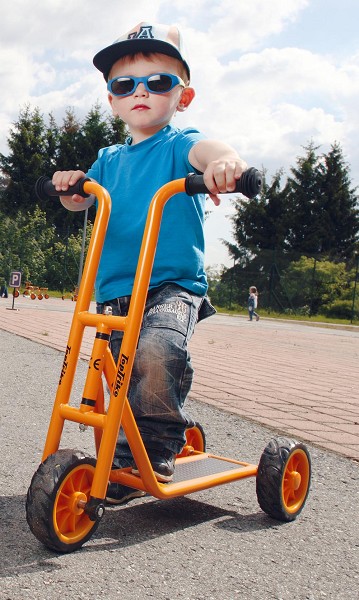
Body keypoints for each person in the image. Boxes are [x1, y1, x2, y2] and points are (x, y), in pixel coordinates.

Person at [52, 22, 248, 505]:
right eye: (125, 85)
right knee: (118, 372)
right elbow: (80, 202)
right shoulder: (107, 159)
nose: (141, 91)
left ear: (184, 96)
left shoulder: (181, 145)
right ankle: (138, 442)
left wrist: (224, 164)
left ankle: (153, 447)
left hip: (171, 286)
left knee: (156, 352)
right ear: (113, 100)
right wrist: (71, 185)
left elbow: (211, 151)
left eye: (158, 82)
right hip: (115, 288)